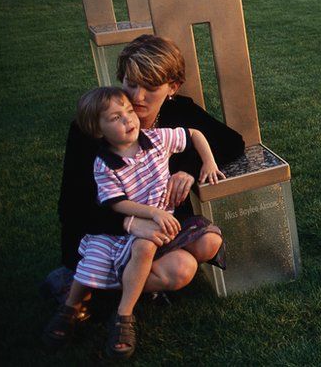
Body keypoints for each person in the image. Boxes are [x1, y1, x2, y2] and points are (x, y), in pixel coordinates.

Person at [50, 35, 244, 328]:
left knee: (205, 246)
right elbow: (72, 208)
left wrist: (190, 168)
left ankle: (96, 287)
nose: (137, 97)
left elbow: (232, 143)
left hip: (157, 234)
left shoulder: (180, 112)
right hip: (104, 235)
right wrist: (128, 224)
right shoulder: (89, 130)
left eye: (150, 87)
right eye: (130, 83)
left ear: (172, 88)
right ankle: (85, 281)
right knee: (181, 269)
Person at [45, 87, 225, 358]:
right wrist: (151, 213)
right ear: (98, 129)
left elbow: (194, 135)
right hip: (130, 225)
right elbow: (116, 203)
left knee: (204, 239)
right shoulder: (103, 164)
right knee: (94, 260)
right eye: (116, 118)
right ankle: (78, 310)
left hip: (160, 220)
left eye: (129, 112)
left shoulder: (156, 139)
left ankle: (119, 306)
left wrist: (208, 162)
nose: (129, 119)